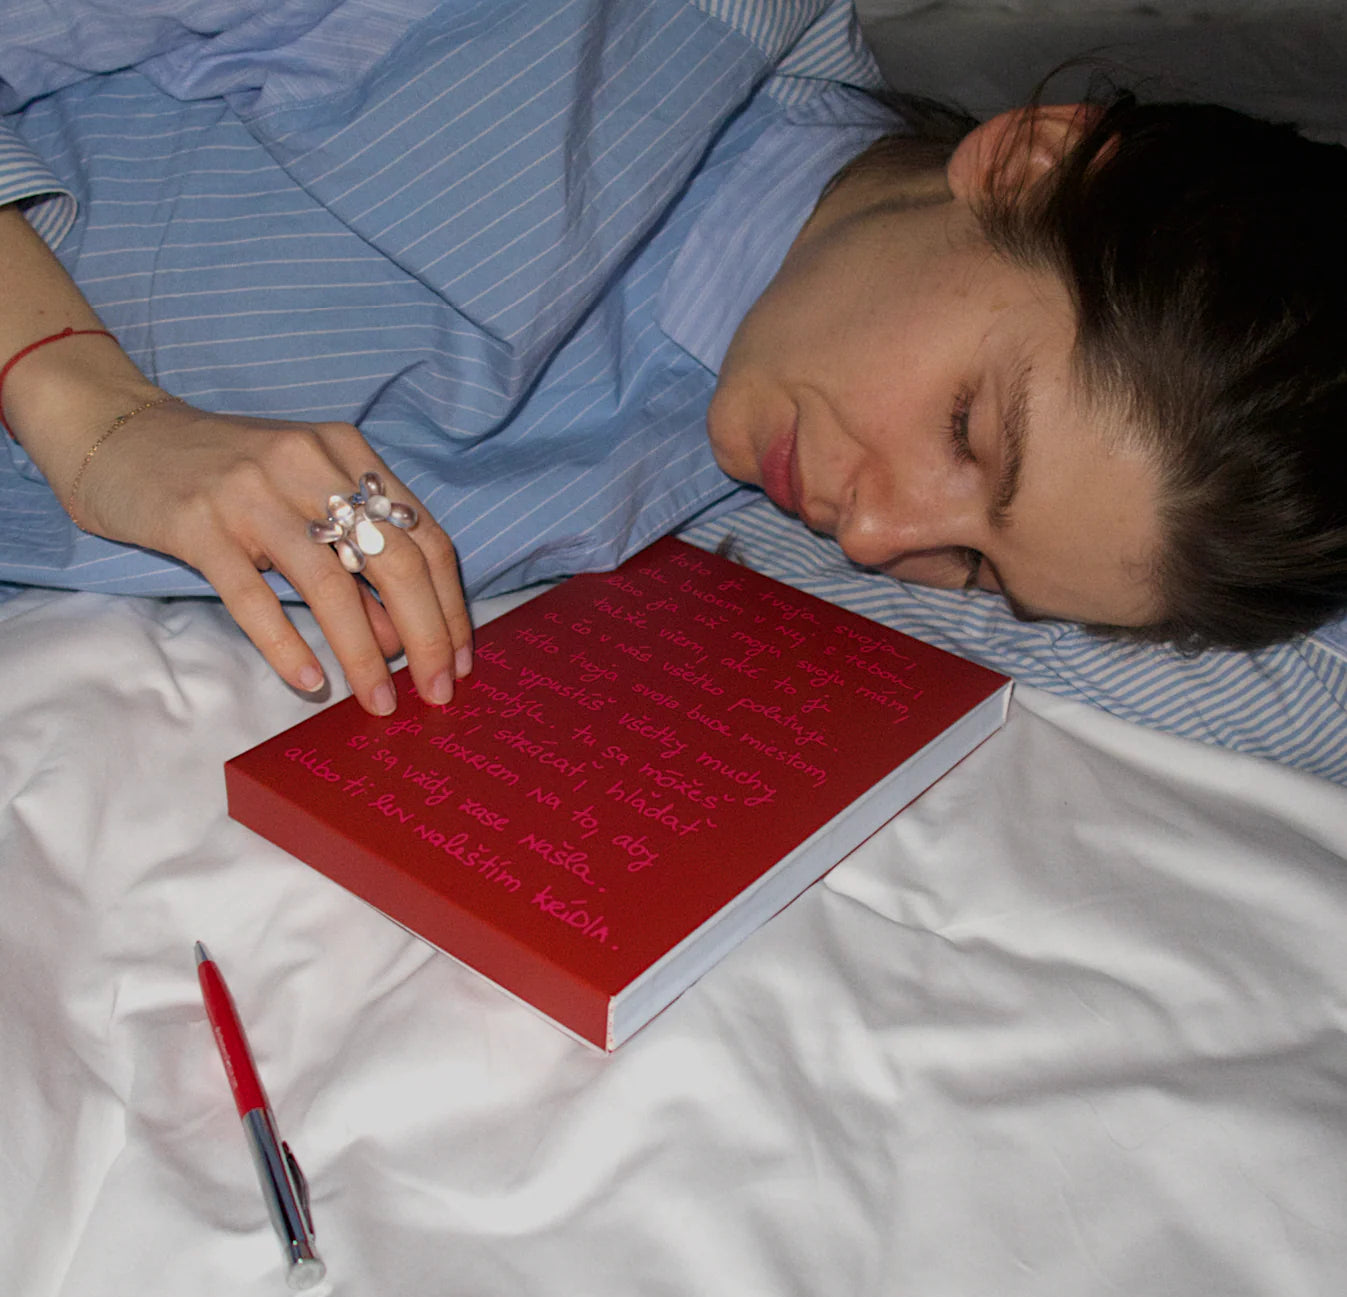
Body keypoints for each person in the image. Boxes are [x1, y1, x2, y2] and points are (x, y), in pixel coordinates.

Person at [1, 2, 1344, 745]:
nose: (876, 536)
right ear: (1031, 163)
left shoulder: (734, 497)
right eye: (968, 433)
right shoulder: (586, 29)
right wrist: (84, 405)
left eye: (979, 568)